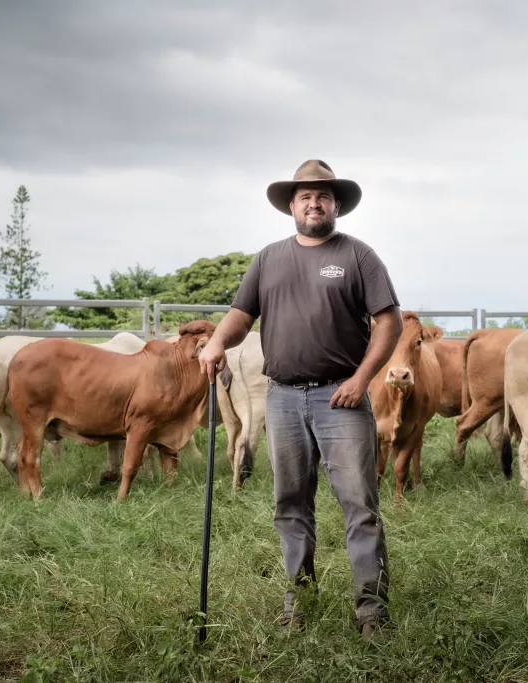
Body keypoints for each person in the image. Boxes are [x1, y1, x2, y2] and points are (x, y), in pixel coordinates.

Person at [197, 159, 403, 642]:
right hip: (283, 398)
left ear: (336, 205)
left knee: (359, 505)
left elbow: (388, 322)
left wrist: (361, 378)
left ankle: (371, 610)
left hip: (342, 398)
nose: (314, 202)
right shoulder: (269, 258)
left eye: (323, 195)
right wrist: (215, 343)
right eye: (305, 196)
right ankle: (299, 600)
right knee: (290, 504)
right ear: (292, 205)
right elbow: (240, 315)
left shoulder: (358, 256)